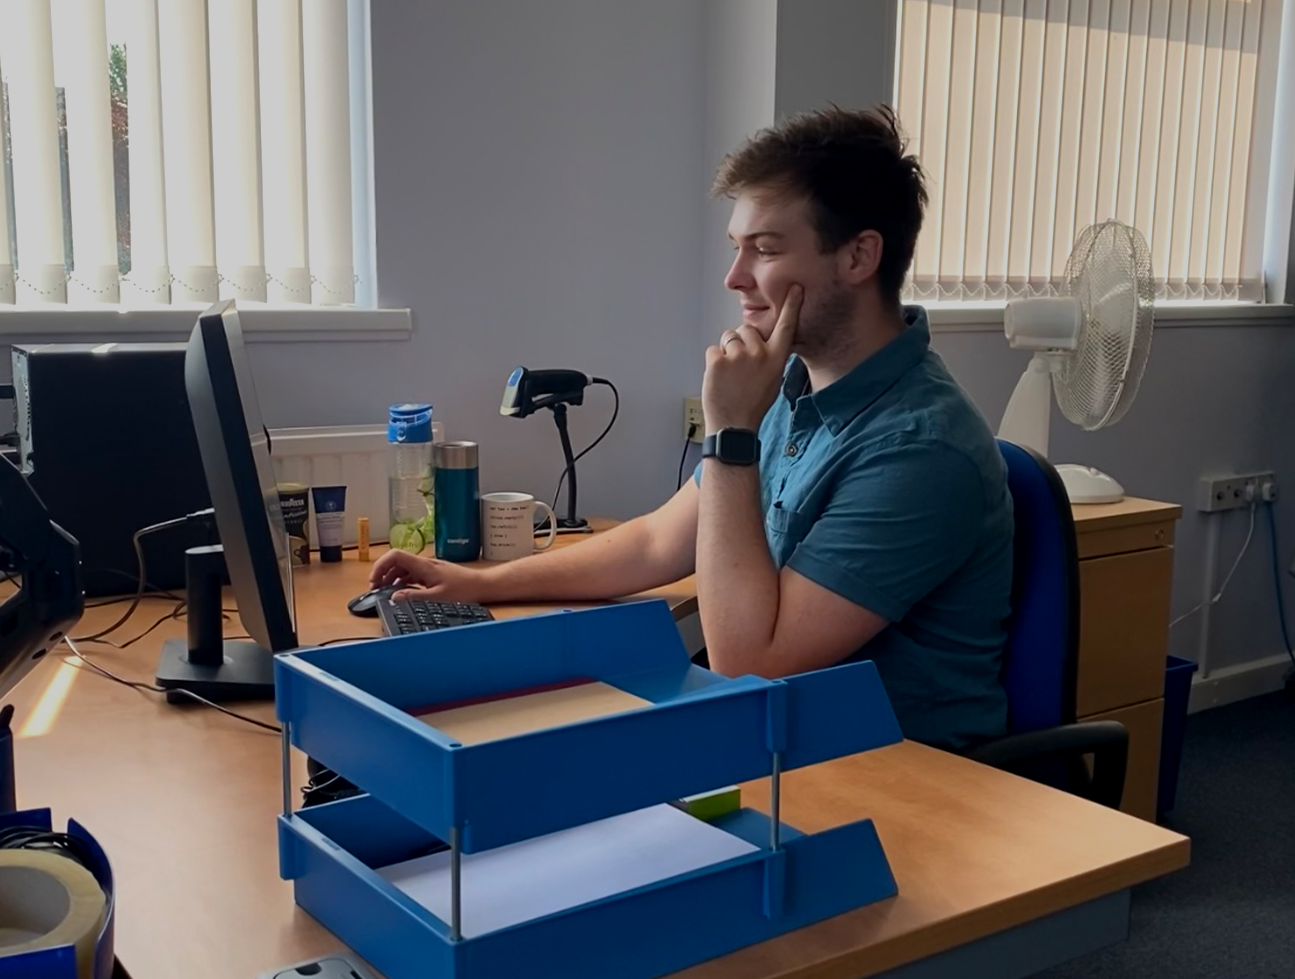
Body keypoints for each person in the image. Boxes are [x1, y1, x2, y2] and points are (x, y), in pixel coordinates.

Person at [370, 104, 1013, 751]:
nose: (734, 278)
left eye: (765, 249)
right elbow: (658, 541)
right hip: (777, 741)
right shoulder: (790, 388)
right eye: (736, 248)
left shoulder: (922, 449)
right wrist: (479, 583)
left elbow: (748, 663)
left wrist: (730, 434)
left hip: (887, 775)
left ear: (859, 256)